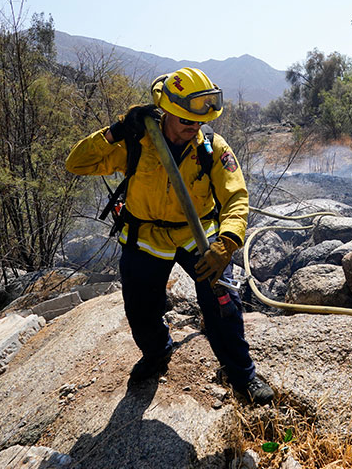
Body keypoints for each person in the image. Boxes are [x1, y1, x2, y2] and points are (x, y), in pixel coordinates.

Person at [65, 67, 274, 404]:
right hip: (146, 236)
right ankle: (157, 353)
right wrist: (116, 131)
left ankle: (242, 375)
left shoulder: (212, 148)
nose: (194, 127)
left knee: (223, 303)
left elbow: (236, 196)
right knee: (141, 308)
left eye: (201, 121)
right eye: (187, 120)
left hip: (198, 235)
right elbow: (76, 163)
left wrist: (227, 242)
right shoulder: (137, 142)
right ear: (167, 112)